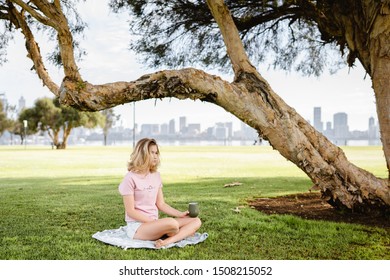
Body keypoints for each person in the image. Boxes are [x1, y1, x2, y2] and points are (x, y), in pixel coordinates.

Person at [118, 138, 202, 248]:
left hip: (156, 224)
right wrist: (152, 222)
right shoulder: (130, 178)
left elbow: (161, 204)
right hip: (138, 227)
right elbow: (130, 211)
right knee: (172, 224)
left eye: (156, 153)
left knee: (196, 221)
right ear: (142, 154)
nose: (155, 156)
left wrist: (180, 214)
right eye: (152, 152)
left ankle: (167, 241)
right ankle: (176, 232)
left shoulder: (156, 176)